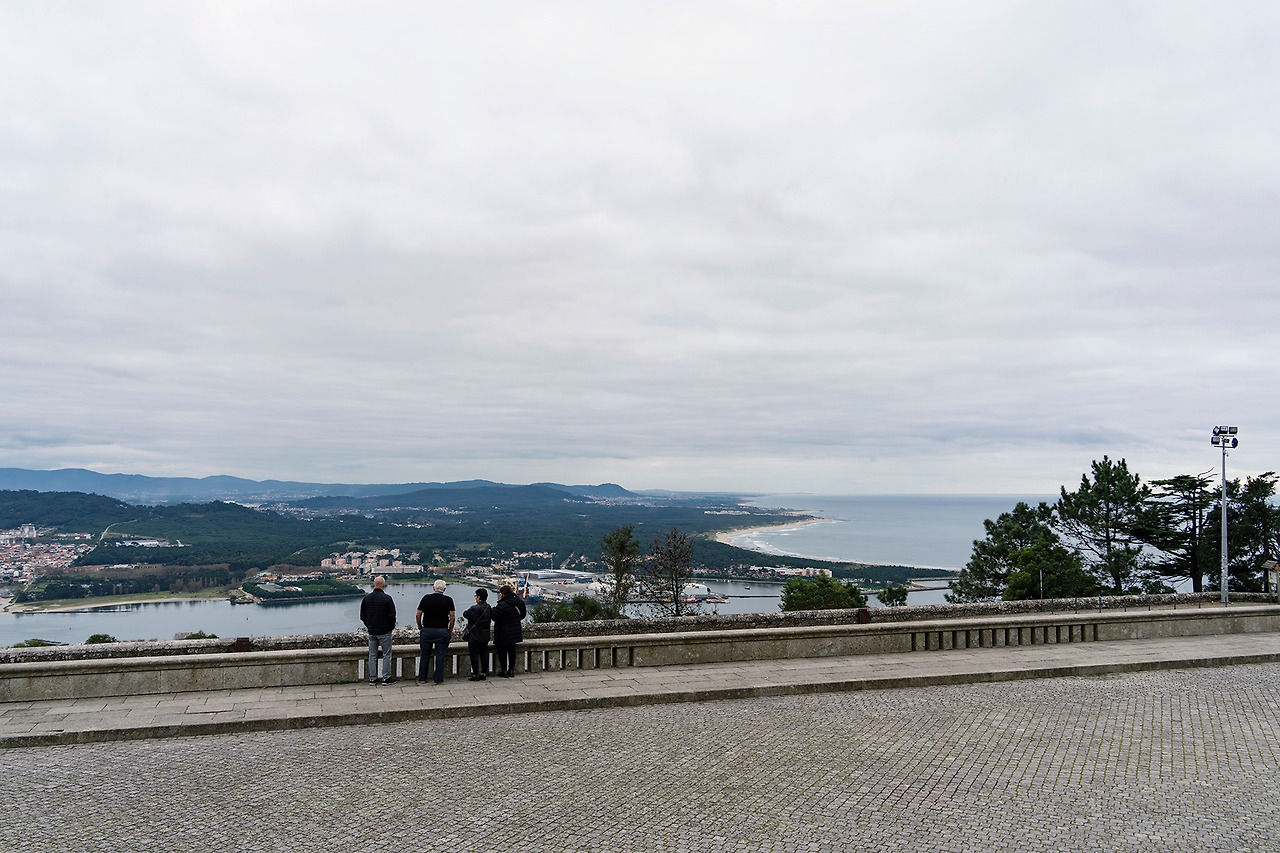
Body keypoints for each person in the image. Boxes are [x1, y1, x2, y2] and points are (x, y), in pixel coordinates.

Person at [416, 579, 455, 685]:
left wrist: (420, 627)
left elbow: (418, 614)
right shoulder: (448, 600)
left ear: (434, 588)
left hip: (427, 630)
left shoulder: (426, 598)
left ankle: (422, 678)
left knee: (424, 655)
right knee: (440, 656)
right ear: (444, 589)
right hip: (442, 630)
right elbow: (452, 617)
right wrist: (450, 630)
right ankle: (437, 679)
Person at [359, 576, 397, 685]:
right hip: (385, 631)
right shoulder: (387, 599)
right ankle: (386, 678)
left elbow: (362, 616)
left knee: (372, 655)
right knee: (386, 655)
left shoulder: (366, 599)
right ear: (383, 585)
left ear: (373, 585)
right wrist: (390, 627)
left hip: (372, 631)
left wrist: (369, 626)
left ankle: (373, 678)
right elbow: (392, 616)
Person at [491, 583, 527, 678]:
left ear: (503, 594)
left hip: (502, 632)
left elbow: (495, 616)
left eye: (500, 593)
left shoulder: (501, 605)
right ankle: (511, 670)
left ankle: (504, 670)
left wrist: (493, 609)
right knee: (512, 651)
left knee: (502, 652)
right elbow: (523, 614)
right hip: (514, 631)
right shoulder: (519, 602)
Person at [462, 588, 493, 680]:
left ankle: (475, 674)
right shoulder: (488, 607)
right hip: (485, 634)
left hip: (474, 635)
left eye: (476, 596)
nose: (475, 598)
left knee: (474, 655)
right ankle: (483, 672)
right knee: (484, 654)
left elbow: (465, 614)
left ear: (479, 597)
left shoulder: (474, 608)